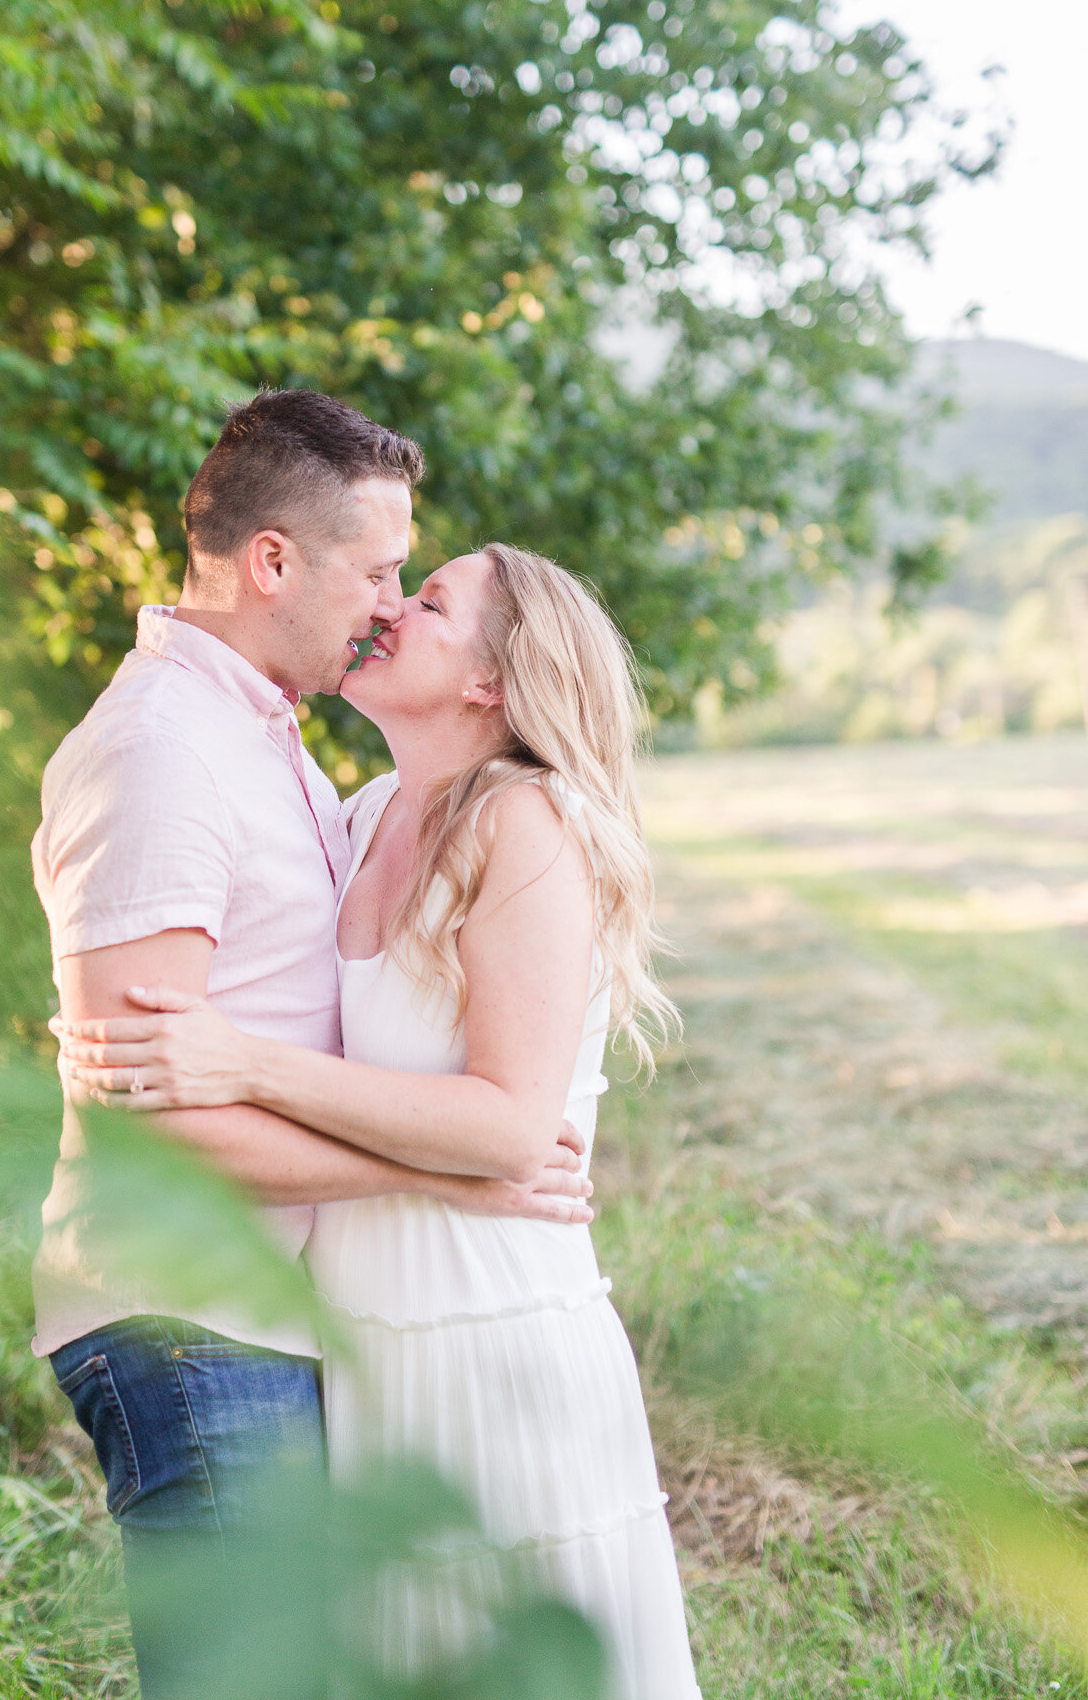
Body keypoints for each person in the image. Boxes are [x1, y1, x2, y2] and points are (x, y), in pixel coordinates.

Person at [62, 541, 702, 1697]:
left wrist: (241, 1064)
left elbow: (513, 1125)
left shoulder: (526, 821)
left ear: (492, 680)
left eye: (433, 599)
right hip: (365, 1328)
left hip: (490, 1312)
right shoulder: (357, 817)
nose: (392, 609)